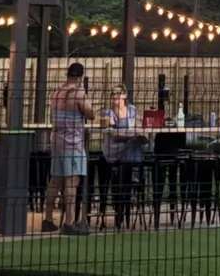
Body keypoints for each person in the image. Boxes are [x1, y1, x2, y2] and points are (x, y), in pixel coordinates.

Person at [43, 63, 93, 234]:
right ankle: (70, 222)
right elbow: (90, 114)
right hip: (72, 142)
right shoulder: (78, 93)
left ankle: (47, 219)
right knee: (72, 181)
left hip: (56, 140)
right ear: (80, 77)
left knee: (55, 180)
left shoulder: (56, 94)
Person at [103, 84, 147, 229]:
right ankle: (136, 175)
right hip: (116, 150)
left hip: (130, 148)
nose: (116, 96)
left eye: (118, 93)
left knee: (136, 141)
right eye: (113, 94)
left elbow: (139, 126)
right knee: (133, 141)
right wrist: (133, 135)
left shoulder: (133, 110)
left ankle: (132, 173)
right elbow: (113, 134)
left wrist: (141, 135)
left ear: (125, 95)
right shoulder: (109, 112)